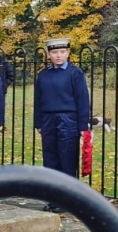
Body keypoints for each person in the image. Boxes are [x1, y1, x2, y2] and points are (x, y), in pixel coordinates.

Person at [34, 38, 90, 213]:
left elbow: (82, 99)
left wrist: (82, 125)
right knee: (50, 159)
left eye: (62, 52)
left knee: (67, 158)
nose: (58, 56)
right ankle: (53, 197)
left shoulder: (75, 73)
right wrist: (38, 123)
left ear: (67, 53)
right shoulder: (43, 75)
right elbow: (38, 100)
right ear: (49, 54)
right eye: (54, 53)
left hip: (68, 119)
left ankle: (68, 199)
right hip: (48, 119)